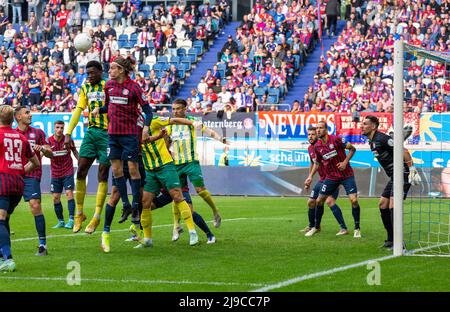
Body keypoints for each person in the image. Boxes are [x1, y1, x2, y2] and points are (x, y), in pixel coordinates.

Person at [92, 56, 154, 234]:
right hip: (112, 135)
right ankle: (126, 204)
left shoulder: (134, 87)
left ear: (120, 70)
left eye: (112, 68)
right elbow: (108, 106)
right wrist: (98, 109)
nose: (109, 71)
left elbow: (148, 111)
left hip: (129, 135)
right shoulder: (108, 86)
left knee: (133, 169)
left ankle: (135, 205)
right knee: (116, 170)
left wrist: (146, 128)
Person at [136, 113, 205, 248]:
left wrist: (192, 123)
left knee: (177, 196)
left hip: (165, 166)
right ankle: (148, 239)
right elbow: (143, 141)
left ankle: (192, 232)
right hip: (150, 169)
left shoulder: (154, 122)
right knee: (145, 202)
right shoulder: (131, 131)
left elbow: (173, 120)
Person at [65, 61, 110, 234]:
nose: (89, 76)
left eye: (92, 73)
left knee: (103, 174)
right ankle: (79, 214)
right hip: (91, 133)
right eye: (87, 73)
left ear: (100, 72)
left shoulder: (108, 86)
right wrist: (69, 132)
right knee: (81, 171)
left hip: (107, 134)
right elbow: (78, 109)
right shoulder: (85, 88)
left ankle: (97, 216)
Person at [361, 116, 420, 248]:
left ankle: (400, 243)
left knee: (394, 204)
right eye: (362, 124)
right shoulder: (372, 142)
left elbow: (403, 150)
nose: (361, 126)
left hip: (403, 174)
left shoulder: (383, 139)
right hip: (394, 176)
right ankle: (391, 239)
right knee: (383, 204)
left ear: (373, 127)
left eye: (365, 124)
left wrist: (412, 168)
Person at [168, 98, 225, 229]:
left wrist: (221, 139)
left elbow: (209, 131)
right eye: (173, 109)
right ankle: (176, 225)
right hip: (176, 164)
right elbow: (167, 142)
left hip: (191, 162)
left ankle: (215, 211)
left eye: (178, 109)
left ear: (184, 109)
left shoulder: (193, 122)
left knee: (200, 190)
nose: (175, 112)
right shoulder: (170, 125)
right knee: (176, 194)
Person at [305, 120, 362, 238]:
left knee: (354, 200)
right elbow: (317, 163)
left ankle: (357, 228)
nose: (318, 130)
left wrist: (345, 162)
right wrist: (310, 176)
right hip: (331, 177)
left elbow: (353, 149)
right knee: (318, 201)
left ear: (326, 130)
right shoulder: (316, 147)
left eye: (320, 128)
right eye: (317, 128)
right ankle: (315, 227)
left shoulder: (336, 139)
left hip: (346, 175)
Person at [0, 105, 40, 272]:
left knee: (0, 220)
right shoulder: (20, 137)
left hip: (2, 179)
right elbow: (36, 162)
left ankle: (8, 258)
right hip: (18, 182)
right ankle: (3, 256)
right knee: (5, 219)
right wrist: (20, 171)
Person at [14, 106, 53, 256]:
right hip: (14, 175)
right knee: (5, 211)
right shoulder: (12, 134)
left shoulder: (38, 133)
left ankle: (42, 244)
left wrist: (43, 149)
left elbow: (51, 154)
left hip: (32, 175)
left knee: (35, 205)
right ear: (18, 117)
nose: (30, 115)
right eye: (27, 113)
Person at [48, 121, 79, 229]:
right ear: (54, 128)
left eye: (61, 127)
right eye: (57, 127)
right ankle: (61, 221)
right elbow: (43, 154)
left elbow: (75, 151)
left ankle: (71, 220)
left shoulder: (68, 140)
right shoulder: (49, 141)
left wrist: (80, 162)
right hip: (55, 173)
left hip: (67, 171)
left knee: (69, 193)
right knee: (55, 198)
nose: (59, 130)